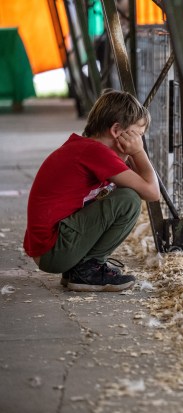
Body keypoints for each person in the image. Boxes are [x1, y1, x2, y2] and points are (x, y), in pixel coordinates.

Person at [23, 89, 160, 292]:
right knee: (128, 199)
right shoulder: (96, 153)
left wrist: (130, 154)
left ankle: (80, 269)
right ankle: (87, 271)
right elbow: (152, 192)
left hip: (49, 249)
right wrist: (138, 152)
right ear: (116, 130)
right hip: (53, 251)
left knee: (123, 194)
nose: (139, 141)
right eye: (138, 135)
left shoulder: (85, 148)